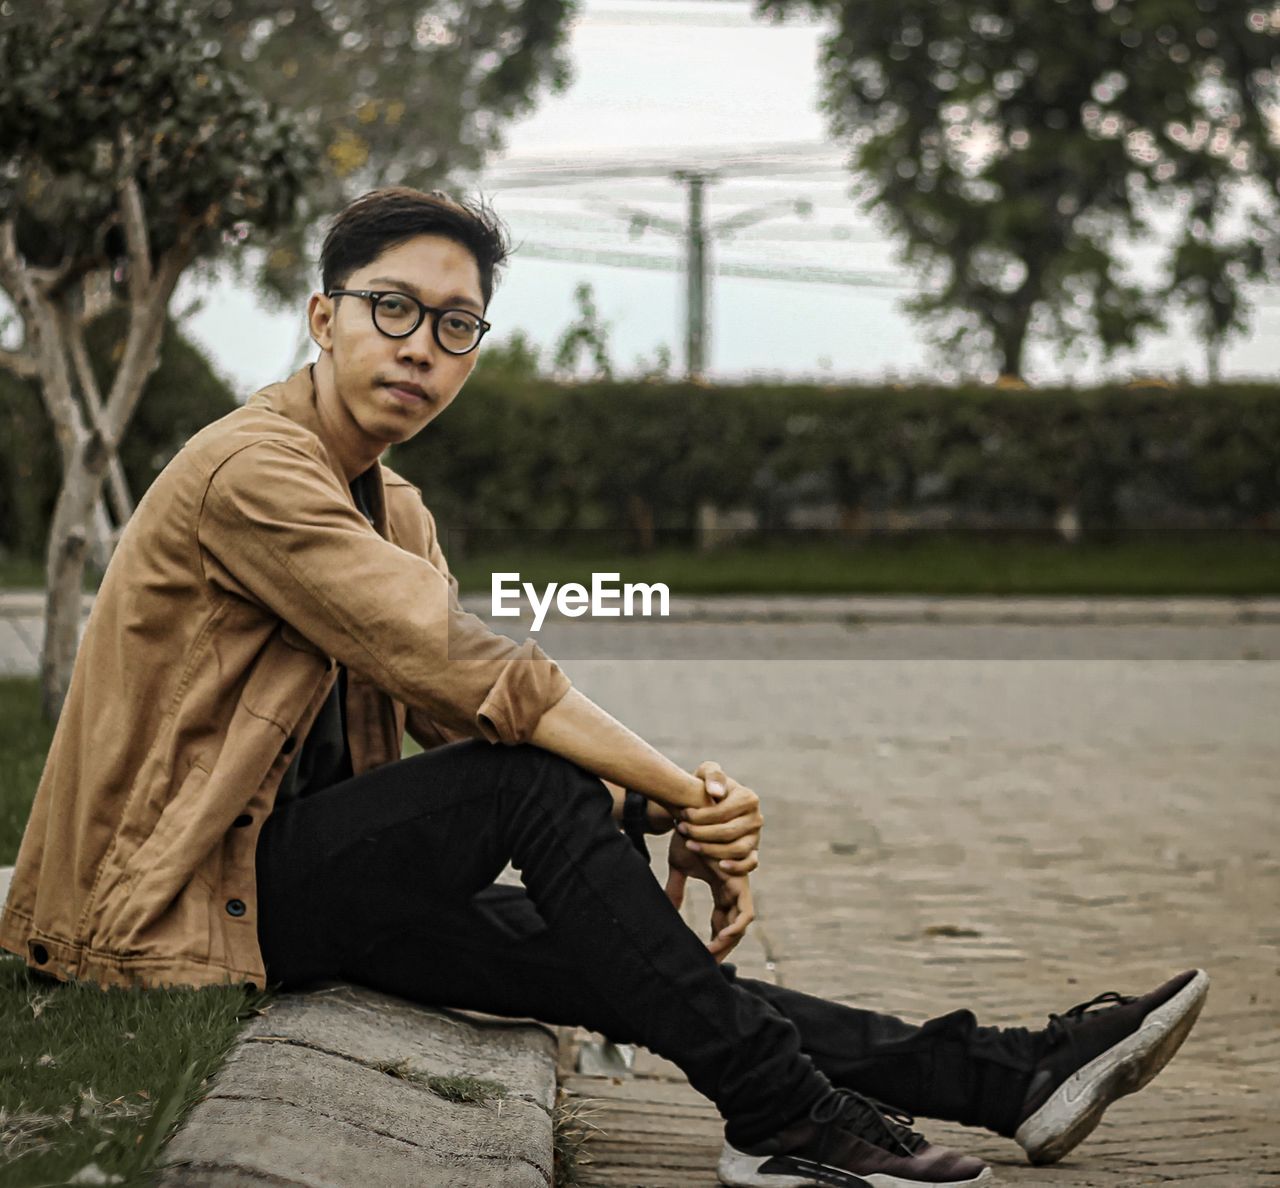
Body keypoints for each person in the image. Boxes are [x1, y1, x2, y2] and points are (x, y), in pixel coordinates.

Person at [0, 187, 1208, 1187]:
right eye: (392, 310)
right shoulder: (251, 471)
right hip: (174, 900)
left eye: (455, 325)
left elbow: (436, 707)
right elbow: (469, 677)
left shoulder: (393, 504)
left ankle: (1004, 1076)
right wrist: (685, 797)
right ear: (323, 317)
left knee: (634, 965)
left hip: (287, 883)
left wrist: (640, 809)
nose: (421, 346)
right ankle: (784, 1120)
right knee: (526, 784)